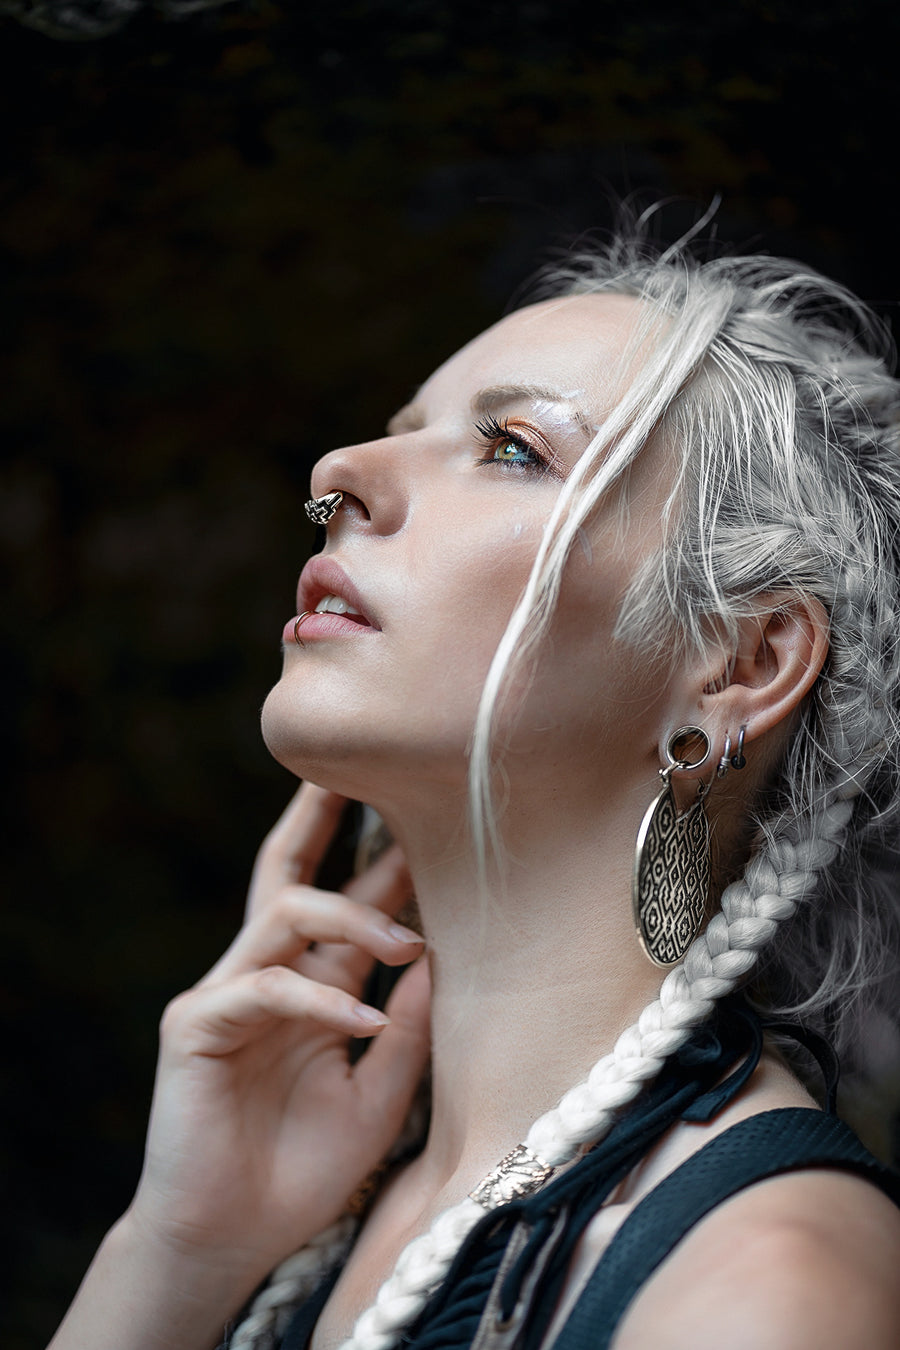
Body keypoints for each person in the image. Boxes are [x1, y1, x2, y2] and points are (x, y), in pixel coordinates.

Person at [49, 226, 900, 1350]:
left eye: (511, 448)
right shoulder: (292, 1237)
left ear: (742, 664)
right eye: (406, 430)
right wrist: (173, 1255)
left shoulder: (759, 1284)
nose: (337, 474)